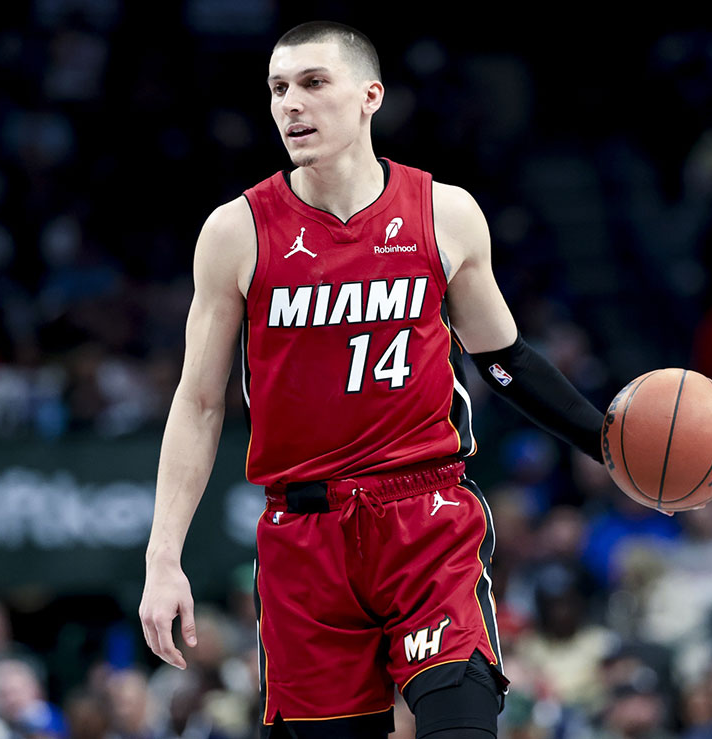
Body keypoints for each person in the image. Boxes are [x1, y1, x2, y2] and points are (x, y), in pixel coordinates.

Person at [138, 21, 610, 739]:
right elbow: (199, 402)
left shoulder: (444, 213)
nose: (290, 104)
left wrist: (606, 445)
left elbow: (505, 359)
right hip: (305, 534)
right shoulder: (236, 231)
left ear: (369, 96)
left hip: (423, 517)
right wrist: (163, 556)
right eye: (277, 89)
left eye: (312, 83)